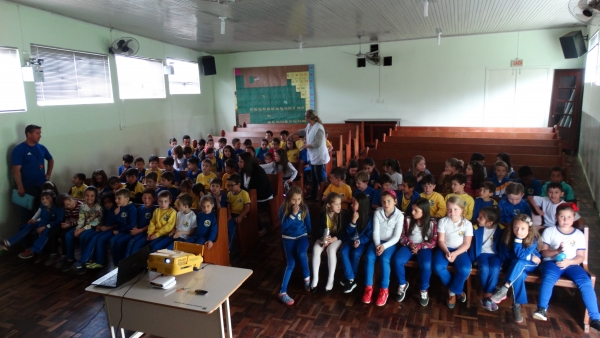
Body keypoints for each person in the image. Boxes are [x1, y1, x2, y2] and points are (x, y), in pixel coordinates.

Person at [532, 204, 600, 330]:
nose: (565, 220)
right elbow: (543, 252)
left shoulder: (578, 234)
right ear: (556, 217)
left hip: (571, 264)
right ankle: (542, 308)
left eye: (569, 217)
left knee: (586, 281)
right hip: (551, 263)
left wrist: (569, 262)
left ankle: (595, 318)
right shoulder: (550, 231)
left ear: (574, 218)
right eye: (562, 217)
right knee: (548, 277)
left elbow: (580, 257)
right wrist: (557, 251)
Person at [490, 214, 541, 323]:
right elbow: (506, 255)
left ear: (529, 229)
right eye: (516, 227)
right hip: (513, 265)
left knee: (519, 262)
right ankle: (516, 305)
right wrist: (529, 255)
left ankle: (504, 288)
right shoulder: (506, 236)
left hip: (529, 265)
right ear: (512, 226)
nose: (519, 231)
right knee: (520, 275)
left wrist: (520, 246)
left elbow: (520, 257)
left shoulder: (533, 239)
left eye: (523, 228)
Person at [362, 190, 404, 306]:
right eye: (383, 201)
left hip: (390, 243)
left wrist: (384, 246)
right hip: (377, 241)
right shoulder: (378, 212)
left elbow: (396, 237)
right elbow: (375, 232)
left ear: (395, 201)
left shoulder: (399, 215)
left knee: (385, 259)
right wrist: (377, 245)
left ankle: (384, 289)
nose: (386, 204)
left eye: (389, 201)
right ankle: (368, 287)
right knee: (370, 257)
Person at [394, 198, 437, 306]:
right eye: (412, 209)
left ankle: (423, 290)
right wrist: (410, 244)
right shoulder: (407, 219)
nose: (413, 212)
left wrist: (420, 245)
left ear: (424, 211)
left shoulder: (432, 222)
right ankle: (402, 284)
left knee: (426, 264)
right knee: (397, 260)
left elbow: (434, 241)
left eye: (416, 210)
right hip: (409, 245)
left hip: (424, 247)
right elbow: (402, 236)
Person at [433, 196, 473, 309]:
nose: (452, 212)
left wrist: (455, 254)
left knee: (465, 269)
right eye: (449, 209)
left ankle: (452, 291)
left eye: (455, 209)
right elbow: (441, 240)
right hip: (445, 248)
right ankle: (457, 290)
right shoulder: (443, 221)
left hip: (460, 251)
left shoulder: (467, 224)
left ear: (461, 210)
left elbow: (467, 244)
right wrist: (447, 251)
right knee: (437, 266)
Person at [61, 192, 117, 273]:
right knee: (82, 236)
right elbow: (83, 220)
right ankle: (84, 259)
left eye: (109, 202)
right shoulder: (85, 207)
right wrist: (79, 228)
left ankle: (84, 261)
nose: (107, 204)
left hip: (105, 229)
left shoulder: (104, 208)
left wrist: (100, 226)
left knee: (94, 238)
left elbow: (115, 223)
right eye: (105, 203)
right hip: (96, 227)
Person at [2, 190, 63, 260]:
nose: (44, 200)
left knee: (45, 232)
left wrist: (45, 227)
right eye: (43, 199)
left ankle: (33, 250)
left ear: (53, 198)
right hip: (42, 223)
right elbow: (43, 218)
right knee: (25, 227)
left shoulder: (58, 208)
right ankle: (8, 242)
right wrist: (36, 220)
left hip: (51, 226)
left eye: (47, 198)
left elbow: (58, 221)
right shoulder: (44, 207)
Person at [11, 124, 54, 222]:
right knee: (27, 214)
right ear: (29, 134)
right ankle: (24, 235)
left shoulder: (41, 147)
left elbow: (50, 160)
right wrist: (20, 186)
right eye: (37, 133)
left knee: (42, 211)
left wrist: (48, 174)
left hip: (42, 186)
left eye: (40, 133)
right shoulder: (19, 149)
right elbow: (16, 170)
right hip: (27, 187)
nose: (40, 136)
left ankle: (38, 234)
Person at [278, 186, 312, 305]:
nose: (297, 202)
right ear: (288, 199)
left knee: (301, 253)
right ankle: (282, 292)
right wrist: (293, 214)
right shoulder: (283, 208)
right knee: (290, 263)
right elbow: (284, 226)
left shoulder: (304, 208)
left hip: (302, 236)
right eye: (294, 200)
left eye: (299, 199)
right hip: (288, 238)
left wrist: (311, 236)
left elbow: (308, 225)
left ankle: (307, 279)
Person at [468, 206, 503, 312]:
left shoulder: (500, 229)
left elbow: (502, 246)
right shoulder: (475, 228)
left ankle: (487, 295)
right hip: (481, 254)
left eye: (481, 218)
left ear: (490, 222)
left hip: (495, 255)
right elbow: (471, 245)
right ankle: (488, 295)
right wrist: (471, 259)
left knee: (495, 268)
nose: (477, 219)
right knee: (484, 267)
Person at [58, 187, 103, 269]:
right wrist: (78, 229)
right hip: (84, 226)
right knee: (68, 235)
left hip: (94, 227)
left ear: (96, 196)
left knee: (83, 236)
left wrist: (81, 230)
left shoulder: (98, 207)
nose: (89, 198)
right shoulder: (83, 206)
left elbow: (95, 222)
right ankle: (70, 258)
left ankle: (85, 259)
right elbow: (81, 220)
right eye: (87, 195)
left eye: (92, 196)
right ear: (84, 196)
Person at [311, 192, 346, 293]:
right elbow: (320, 229)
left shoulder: (342, 215)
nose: (339, 206)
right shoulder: (323, 214)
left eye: (340, 204)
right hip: (325, 237)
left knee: (331, 250)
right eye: (336, 204)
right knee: (316, 249)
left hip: (337, 238)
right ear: (329, 205)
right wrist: (323, 239)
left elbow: (343, 231)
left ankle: (330, 280)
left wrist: (334, 239)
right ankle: (315, 279)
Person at [340, 192, 373, 293]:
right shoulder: (350, 214)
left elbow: (369, 235)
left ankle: (350, 279)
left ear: (361, 205)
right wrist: (353, 222)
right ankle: (351, 278)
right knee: (343, 251)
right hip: (350, 239)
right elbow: (348, 231)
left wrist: (359, 241)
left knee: (355, 253)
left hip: (362, 242)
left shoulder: (368, 218)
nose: (351, 205)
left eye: (354, 203)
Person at [238, 152, 274, 235]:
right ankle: (246, 226)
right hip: (250, 195)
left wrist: (248, 198)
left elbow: (261, 188)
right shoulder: (242, 171)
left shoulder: (258, 171)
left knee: (248, 206)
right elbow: (241, 186)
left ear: (247, 162)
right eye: (238, 161)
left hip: (263, 195)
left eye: (241, 162)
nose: (238, 163)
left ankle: (261, 228)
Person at [300, 110, 330, 200]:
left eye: (305, 116)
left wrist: (306, 146)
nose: (304, 117)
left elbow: (317, 143)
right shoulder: (310, 125)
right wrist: (294, 133)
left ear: (309, 118)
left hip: (319, 156)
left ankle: (323, 195)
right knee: (313, 176)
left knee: (319, 176)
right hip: (314, 156)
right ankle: (313, 195)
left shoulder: (319, 128)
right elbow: (305, 131)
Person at [45, 193, 82, 265]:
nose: (70, 205)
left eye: (70, 202)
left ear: (71, 198)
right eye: (66, 205)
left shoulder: (80, 206)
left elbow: (80, 221)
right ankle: (54, 253)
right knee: (53, 232)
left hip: (77, 225)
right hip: (69, 224)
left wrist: (69, 224)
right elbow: (68, 217)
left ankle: (65, 255)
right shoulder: (67, 208)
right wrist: (66, 223)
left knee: (64, 234)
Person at [107, 189, 138, 266]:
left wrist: (119, 231)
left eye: (119, 198)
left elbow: (131, 224)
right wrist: (115, 214)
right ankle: (116, 264)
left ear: (126, 199)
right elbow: (111, 222)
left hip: (129, 231)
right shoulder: (117, 208)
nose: (116, 200)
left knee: (119, 242)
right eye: (116, 198)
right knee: (112, 241)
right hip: (120, 230)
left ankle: (122, 264)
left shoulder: (132, 209)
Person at [125, 188, 156, 258]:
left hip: (147, 232)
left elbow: (152, 224)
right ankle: (126, 261)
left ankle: (133, 263)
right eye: (144, 198)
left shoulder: (155, 210)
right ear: (142, 198)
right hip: (137, 231)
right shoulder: (140, 209)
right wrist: (135, 228)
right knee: (130, 242)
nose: (146, 200)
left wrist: (139, 230)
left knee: (137, 244)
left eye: (149, 198)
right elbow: (135, 220)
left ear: (154, 199)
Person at [227, 174, 251, 250]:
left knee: (231, 227)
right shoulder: (229, 194)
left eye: (232, 185)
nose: (230, 188)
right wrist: (229, 215)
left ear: (239, 184)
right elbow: (228, 206)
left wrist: (241, 216)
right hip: (232, 214)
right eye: (228, 185)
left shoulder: (244, 193)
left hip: (240, 214)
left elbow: (247, 207)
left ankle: (228, 248)